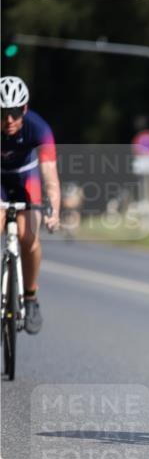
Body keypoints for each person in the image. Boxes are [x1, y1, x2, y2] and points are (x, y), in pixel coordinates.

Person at [1, 76, 60, 334]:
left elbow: (49, 173)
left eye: (14, 113)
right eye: (3, 113)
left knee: (29, 239)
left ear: (24, 109)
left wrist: (54, 211)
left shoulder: (39, 128)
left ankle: (31, 297)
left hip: (27, 175)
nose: (9, 120)